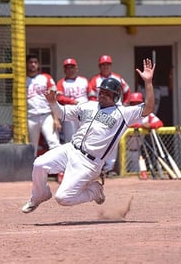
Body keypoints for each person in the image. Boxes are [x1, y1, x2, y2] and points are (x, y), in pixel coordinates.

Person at [21, 58, 155, 214]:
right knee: (39, 164)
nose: (102, 95)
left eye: (107, 93)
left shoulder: (123, 113)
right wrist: (53, 103)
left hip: (88, 163)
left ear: (116, 96)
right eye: (101, 92)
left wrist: (148, 83)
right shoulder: (88, 105)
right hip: (71, 149)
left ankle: (94, 191)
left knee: (62, 198)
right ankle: (40, 195)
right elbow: (63, 113)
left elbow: (149, 107)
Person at [88, 55, 132, 175]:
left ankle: (110, 168)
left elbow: (127, 91)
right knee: (99, 137)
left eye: (108, 64)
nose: (106, 66)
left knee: (114, 138)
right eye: (103, 65)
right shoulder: (95, 79)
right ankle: (99, 166)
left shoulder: (117, 78)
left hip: (116, 111)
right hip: (102, 111)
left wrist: (126, 103)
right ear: (100, 66)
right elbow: (91, 96)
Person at [26, 53, 61, 157]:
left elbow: (53, 99)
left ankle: (59, 170)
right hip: (30, 117)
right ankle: (32, 171)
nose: (33, 64)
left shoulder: (45, 78)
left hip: (46, 115)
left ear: (38, 64)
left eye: (35, 62)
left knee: (54, 143)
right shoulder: (22, 80)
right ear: (27, 64)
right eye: (30, 62)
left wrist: (56, 118)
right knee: (32, 147)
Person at [127, 92, 164, 173]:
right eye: (133, 103)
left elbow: (159, 123)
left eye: (138, 103)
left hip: (136, 151)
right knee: (119, 174)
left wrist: (150, 125)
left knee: (134, 174)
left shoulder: (146, 115)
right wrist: (140, 126)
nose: (136, 105)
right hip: (122, 151)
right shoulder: (126, 113)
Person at [56, 58, 90, 143]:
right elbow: (59, 98)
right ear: (64, 70)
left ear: (76, 68)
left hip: (84, 112)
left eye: (72, 67)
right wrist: (73, 102)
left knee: (86, 137)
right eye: (67, 68)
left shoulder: (84, 80)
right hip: (69, 113)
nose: (70, 70)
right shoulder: (61, 82)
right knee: (70, 139)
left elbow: (92, 96)